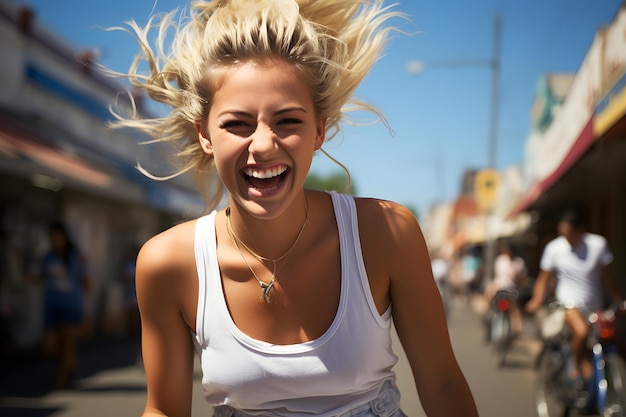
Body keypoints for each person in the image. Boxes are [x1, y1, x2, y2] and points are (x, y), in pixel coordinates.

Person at [109, 1, 479, 416]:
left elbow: (443, 385)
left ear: (319, 130)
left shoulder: (387, 233)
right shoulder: (167, 264)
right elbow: (163, 410)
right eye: (237, 124)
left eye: (287, 121)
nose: (263, 145)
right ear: (205, 134)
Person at [526, 209, 623, 389]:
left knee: (606, 342)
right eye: (563, 232)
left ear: (581, 230)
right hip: (568, 304)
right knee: (581, 332)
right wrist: (537, 299)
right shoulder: (555, 248)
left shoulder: (597, 245)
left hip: (595, 307)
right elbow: (543, 278)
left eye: (569, 233)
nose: (566, 237)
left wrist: (618, 301)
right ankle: (577, 368)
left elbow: (607, 278)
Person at [40, 222, 90, 388]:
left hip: (71, 306)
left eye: (57, 236)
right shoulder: (48, 256)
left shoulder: (75, 256)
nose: (54, 240)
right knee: (49, 346)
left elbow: (86, 282)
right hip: (52, 306)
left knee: (68, 345)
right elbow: (42, 277)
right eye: (52, 237)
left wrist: (86, 311)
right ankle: (68, 365)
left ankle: (61, 379)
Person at [482, 242, 527, 336]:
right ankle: (486, 313)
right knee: (488, 295)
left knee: (515, 307)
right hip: (499, 285)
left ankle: (517, 328)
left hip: (512, 288)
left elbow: (522, 277)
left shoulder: (518, 262)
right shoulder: (500, 260)